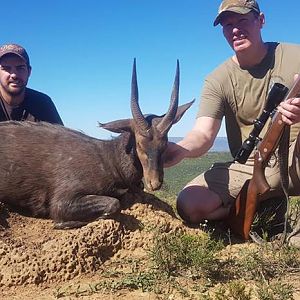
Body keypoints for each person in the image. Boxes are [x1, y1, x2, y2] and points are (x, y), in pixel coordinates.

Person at [164, 0, 300, 242]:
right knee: (190, 203)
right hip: (252, 163)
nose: (234, 30)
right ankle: (257, 209)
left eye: (242, 21)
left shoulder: (295, 55)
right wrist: (180, 149)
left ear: (261, 21)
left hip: (295, 157)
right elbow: (204, 133)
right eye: (227, 25)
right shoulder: (217, 80)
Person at [0, 43, 63, 124]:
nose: (14, 75)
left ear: (29, 72)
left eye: (20, 68)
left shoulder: (43, 103)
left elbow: (61, 135)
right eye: (6, 68)